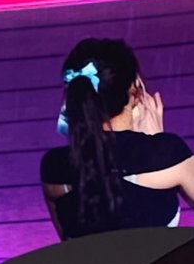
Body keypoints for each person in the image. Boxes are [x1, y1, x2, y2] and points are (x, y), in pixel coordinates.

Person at [41, 39, 194, 238]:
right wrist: (155, 143)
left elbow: (73, 245)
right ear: (134, 88)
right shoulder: (167, 154)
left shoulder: (54, 167)